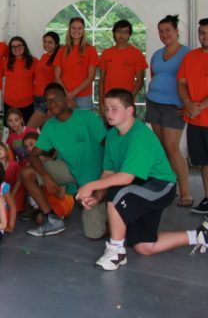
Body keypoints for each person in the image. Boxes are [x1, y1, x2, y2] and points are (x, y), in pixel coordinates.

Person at [76, 89, 208, 269]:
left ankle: (116, 252)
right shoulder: (113, 135)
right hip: (139, 185)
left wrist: (89, 186)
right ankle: (200, 235)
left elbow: (125, 177)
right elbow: (108, 171)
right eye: (106, 109)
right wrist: (98, 196)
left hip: (160, 186)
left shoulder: (139, 136)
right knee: (144, 247)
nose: (108, 113)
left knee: (118, 194)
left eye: (114, 108)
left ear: (130, 110)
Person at [21, 83, 107, 239]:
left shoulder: (87, 117)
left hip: (95, 179)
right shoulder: (49, 126)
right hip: (70, 169)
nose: (52, 104)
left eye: (57, 99)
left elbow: (109, 148)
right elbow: (33, 156)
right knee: (27, 172)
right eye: (48, 101)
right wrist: (46, 176)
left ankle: (111, 214)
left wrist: (105, 182)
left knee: (94, 234)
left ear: (67, 100)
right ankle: (52, 219)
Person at [146, 14, 192, 207]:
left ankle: (186, 192)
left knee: (173, 149)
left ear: (177, 31)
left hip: (174, 107)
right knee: (162, 148)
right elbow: (155, 75)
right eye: (161, 31)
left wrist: (188, 104)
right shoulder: (157, 54)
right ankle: (168, 187)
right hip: (154, 103)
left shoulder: (187, 54)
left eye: (168, 30)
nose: (164, 34)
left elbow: (193, 81)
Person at [178, 17, 208, 214]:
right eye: (202, 32)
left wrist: (201, 105)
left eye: (207, 32)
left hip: (201, 114)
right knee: (204, 162)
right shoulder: (190, 56)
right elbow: (181, 83)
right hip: (195, 119)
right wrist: (188, 103)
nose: (204, 36)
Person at [99, 20, 148, 106]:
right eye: (119, 31)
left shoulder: (137, 54)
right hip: (108, 101)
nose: (121, 35)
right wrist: (101, 103)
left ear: (130, 34)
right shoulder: (106, 53)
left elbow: (140, 81)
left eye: (125, 32)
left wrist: (129, 98)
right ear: (114, 33)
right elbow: (101, 80)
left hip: (127, 102)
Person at [55, 17, 99, 110]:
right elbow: (57, 77)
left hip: (84, 97)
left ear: (83, 31)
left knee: (85, 124)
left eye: (80, 28)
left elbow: (91, 77)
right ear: (69, 30)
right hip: (64, 95)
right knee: (67, 124)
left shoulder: (91, 50)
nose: (76, 31)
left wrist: (72, 94)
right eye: (73, 28)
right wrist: (67, 95)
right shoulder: (62, 50)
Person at [27, 32, 61, 129]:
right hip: (37, 96)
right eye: (45, 41)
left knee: (29, 128)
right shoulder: (43, 56)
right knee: (43, 129)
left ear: (56, 45)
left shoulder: (57, 59)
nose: (46, 44)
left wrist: (52, 103)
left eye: (50, 42)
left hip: (47, 99)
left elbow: (57, 81)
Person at [3, 36, 36, 123]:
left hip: (27, 103)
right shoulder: (6, 62)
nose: (16, 48)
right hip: (9, 103)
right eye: (13, 46)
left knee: (26, 131)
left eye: (19, 45)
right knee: (10, 132)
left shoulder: (34, 61)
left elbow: (41, 81)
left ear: (24, 46)